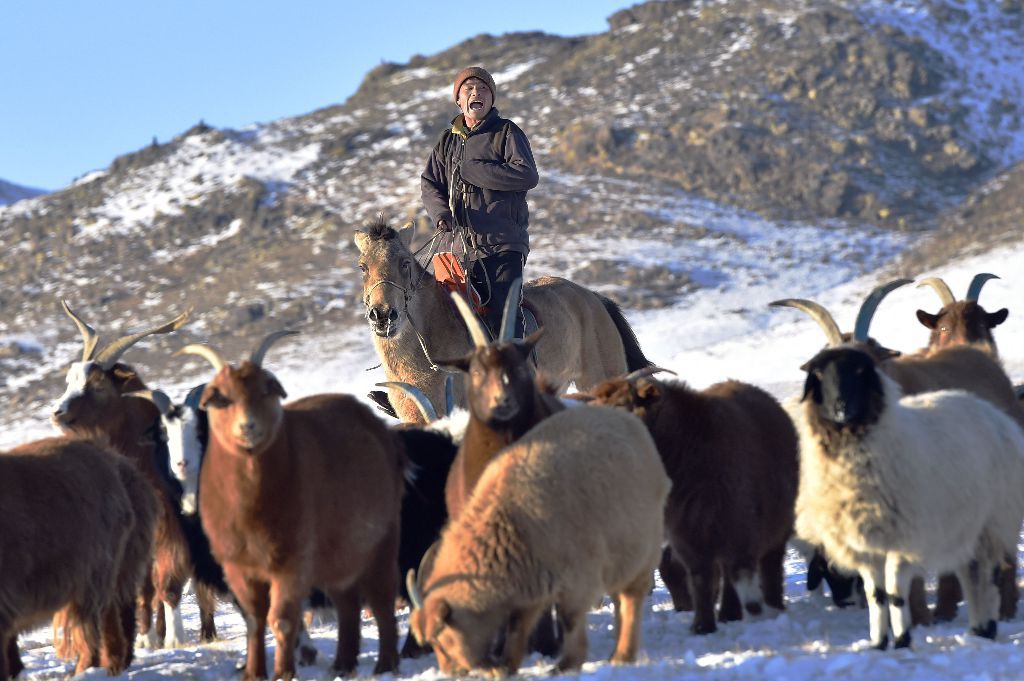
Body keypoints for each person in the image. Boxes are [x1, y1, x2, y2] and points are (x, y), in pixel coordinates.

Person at [421, 66, 539, 340]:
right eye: (469, 89)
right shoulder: (446, 141)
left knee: (503, 316)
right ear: (459, 101)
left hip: (504, 243)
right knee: (455, 321)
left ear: (491, 99)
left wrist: (475, 171)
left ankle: (520, 376)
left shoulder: (506, 132)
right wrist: (441, 215)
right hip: (461, 250)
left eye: (484, 89)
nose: (477, 93)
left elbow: (527, 175)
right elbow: (430, 184)